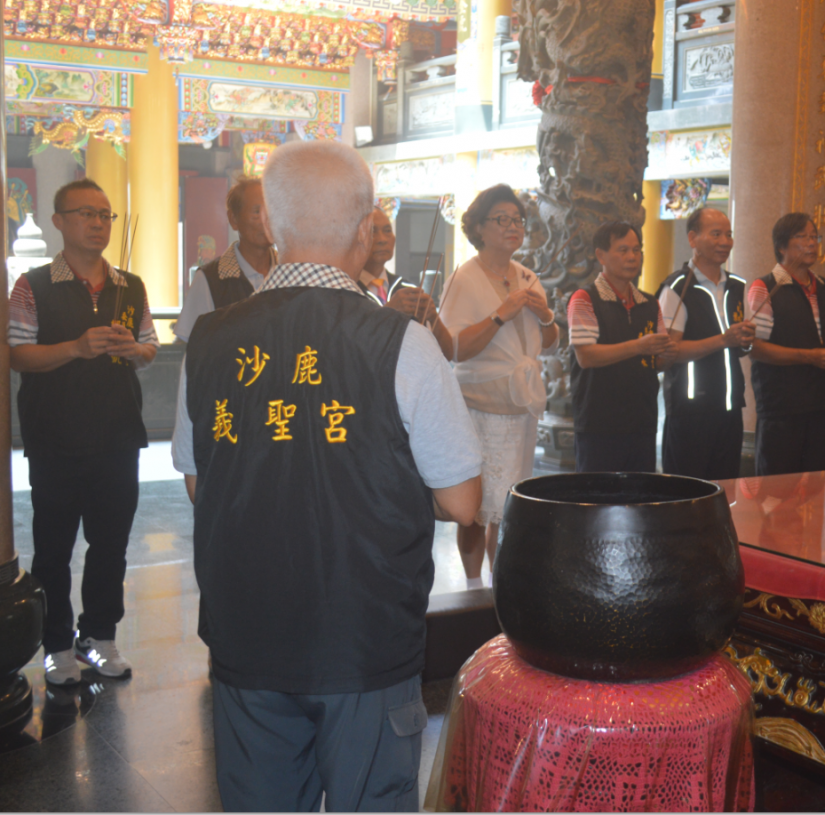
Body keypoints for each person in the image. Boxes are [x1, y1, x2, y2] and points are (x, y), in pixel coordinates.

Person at [171, 139, 482, 812]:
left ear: (270, 223)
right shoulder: (400, 341)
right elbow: (462, 501)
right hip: (363, 637)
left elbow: (199, 482)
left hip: (246, 633)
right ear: (366, 227)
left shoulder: (210, 340)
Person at [8, 178, 159, 685]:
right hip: (55, 438)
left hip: (118, 436)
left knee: (111, 546)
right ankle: (56, 645)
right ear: (59, 221)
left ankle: (99, 635)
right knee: (53, 549)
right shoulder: (33, 285)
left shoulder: (129, 285)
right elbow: (17, 354)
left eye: (105, 215)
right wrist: (76, 347)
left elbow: (149, 347)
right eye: (86, 214)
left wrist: (134, 350)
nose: (98, 224)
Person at [438, 184, 558, 586]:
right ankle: (473, 588)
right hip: (479, 405)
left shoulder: (527, 276)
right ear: (479, 228)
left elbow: (550, 342)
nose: (513, 227)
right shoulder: (464, 278)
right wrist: (500, 315)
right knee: (476, 505)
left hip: (519, 405)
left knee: (508, 503)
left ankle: (500, 585)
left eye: (517, 220)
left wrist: (546, 316)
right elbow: (456, 348)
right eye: (501, 219)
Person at [747, 212, 825, 476]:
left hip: (821, 401)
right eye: (802, 237)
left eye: (814, 237)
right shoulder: (765, 287)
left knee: (816, 484)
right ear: (781, 246)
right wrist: (809, 356)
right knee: (777, 488)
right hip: (782, 405)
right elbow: (755, 347)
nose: (811, 243)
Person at [567, 221, 677, 473]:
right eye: (623, 250)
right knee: (598, 494)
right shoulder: (585, 299)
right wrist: (638, 346)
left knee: (640, 493)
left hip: (642, 422)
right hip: (598, 424)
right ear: (601, 256)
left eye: (637, 250)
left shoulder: (650, 303)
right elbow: (586, 356)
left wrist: (669, 355)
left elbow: (657, 362)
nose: (632, 257)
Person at [658, 208, 754, 481]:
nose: (725, 241)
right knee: (687, 489)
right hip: (690, 410)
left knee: (725, 487)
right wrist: (724, 340)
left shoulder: (736, 286)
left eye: (728, 234)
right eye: (716, 234)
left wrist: (745, 341)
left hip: (730, 406)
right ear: (693, 238)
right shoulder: (677, 287)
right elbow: (668, 352)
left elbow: (738, 348)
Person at [173, 176, 275, 342]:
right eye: (257, 212)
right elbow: (190, 343)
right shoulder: (211, 279)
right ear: (233, 219)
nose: (266, 220)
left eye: (271, 211)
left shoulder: (289, 272)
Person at [360, 206, 454, 360]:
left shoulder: (408, 290)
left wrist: (432, 317)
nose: (382, 239)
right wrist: (388, 313)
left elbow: (447, 355)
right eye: (372, 232)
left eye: (387, 230)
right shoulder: (347, 290)